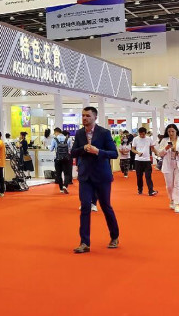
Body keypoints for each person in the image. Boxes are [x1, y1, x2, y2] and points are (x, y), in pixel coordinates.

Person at [71, 107, 120, 254]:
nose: (84, 118)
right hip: (85, 176)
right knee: (85, 207)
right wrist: (83, 148)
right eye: (83, 116)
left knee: (106, 206)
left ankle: (114, 236)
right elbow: (73, 152)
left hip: (102, 176)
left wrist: (98, 151)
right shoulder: (79, 133)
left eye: (88, 116)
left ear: (95, 117)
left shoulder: (104, 133)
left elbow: (114, 154)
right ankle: (84, 242)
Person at [157, 124, 179, 214]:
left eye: (173, 131)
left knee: (178, 185)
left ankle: (177, 204)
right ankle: (172, 199)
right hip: (168, 164)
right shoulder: (164, 140)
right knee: (169, 186)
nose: (171, 133)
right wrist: (166, 148)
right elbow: (159, 153)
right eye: (169, 131)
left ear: (176, 131)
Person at [131, 127, 158, 196]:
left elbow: (152, 148)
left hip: (147, 160)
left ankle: (151, 190)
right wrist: (137, 152)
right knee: (139, 176)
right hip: (138, 160)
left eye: (143, 134)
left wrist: (157, 153)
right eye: (140, 134)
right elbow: (132, 149)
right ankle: (140, 189)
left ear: (145, 133)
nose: (142, 136)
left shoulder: (149, 139)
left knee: (148, 176)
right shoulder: (135, 139)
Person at [50, 128, 72, 194]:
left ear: (56, 132)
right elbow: (70, 149)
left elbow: (51, 149)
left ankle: (61, 189)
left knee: (58, 174)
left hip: (57, 159)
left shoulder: (54, 139)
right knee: (67, 174)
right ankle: (65, 185)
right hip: (66, 158)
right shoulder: (68, 139)